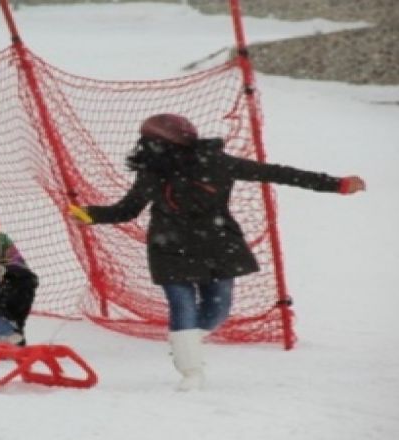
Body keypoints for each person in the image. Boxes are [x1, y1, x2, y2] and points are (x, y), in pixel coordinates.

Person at [70, 113, 366, 391]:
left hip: (217, 244)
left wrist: (336, 184)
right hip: (169, 247)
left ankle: (187, 342)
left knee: (218, 308)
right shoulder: (152, 173)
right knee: (182, 305)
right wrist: (90, 215)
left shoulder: (216, 162)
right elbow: (127, 210)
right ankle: (192, 371)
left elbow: (277, 173)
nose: (146, 148)